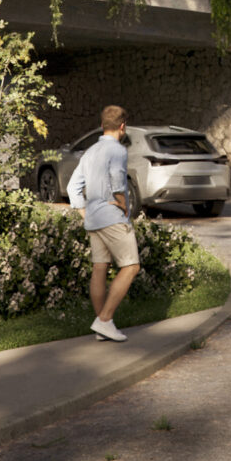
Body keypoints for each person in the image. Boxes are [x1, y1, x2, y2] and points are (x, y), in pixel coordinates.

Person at [68, 106, 139, 342]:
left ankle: (102, 327)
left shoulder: (90, 152)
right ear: (122, 126)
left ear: (101, 126)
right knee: (131, 266)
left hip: (94, 219)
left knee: (100, 267)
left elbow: (72, 187)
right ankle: (105, 319)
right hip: (112, 217)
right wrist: (124, 205)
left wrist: (83, 213)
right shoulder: (117, 150)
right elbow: (118, 180)